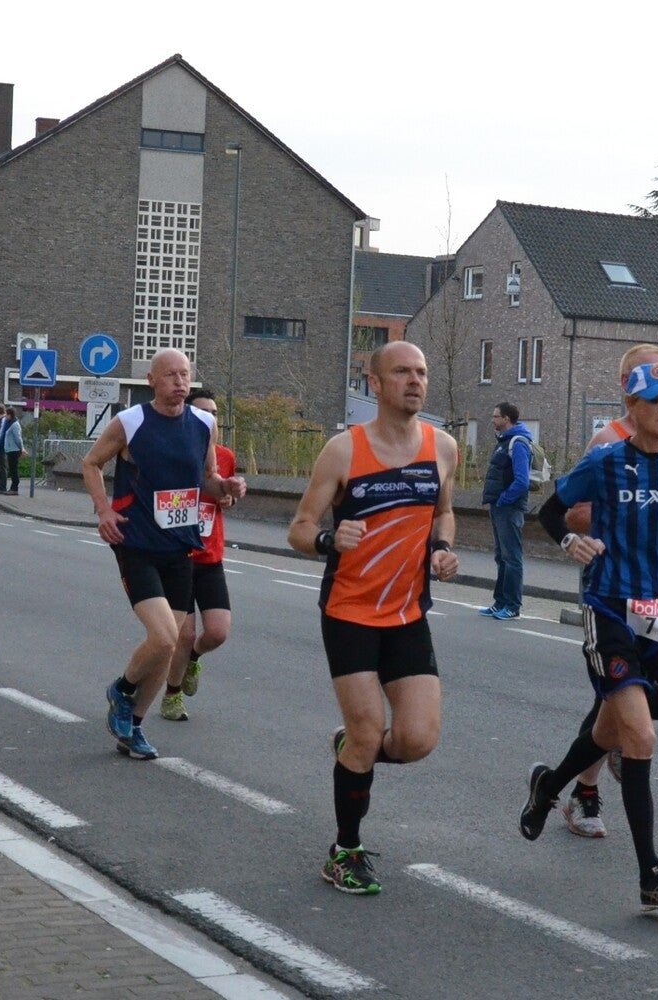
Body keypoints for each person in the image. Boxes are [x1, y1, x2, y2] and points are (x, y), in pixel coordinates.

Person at [519, 362, 658, 911]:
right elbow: (550, 511)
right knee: (640, 737)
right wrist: (571, 544)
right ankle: (652, 876)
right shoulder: (605, 461)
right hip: (609, 607)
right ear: (632, 406)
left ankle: (549, 786)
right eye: (656, 399)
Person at [287, 341, 460, 896]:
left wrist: (442, 548)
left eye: (421, 372)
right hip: (350, 612)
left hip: (407, 614)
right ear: (376, 384)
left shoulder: (443, 447)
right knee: (367, 731)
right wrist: (327, 539)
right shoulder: (343, 450)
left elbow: (445, 513)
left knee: (417, 739)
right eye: (402, 372)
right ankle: (345, 850)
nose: (415, 381)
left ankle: (353, 753)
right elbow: (299, 528)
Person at [558, 344, 658, 838]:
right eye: (653, 389)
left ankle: (600, 754)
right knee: (615, 694)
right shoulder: (607, 442)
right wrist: (625, 516)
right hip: (615, 586)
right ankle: (584, 792)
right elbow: (573, 511)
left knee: (654, 695)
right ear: (628, 390)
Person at [82, 348, 247, 762]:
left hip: (180, 547)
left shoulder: (204, 424)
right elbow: (91, 463)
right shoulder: (131, 422)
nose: (180, 382)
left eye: (185, 374)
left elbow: (207, 479)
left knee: (168, 648)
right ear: (151, 380)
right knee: (165, 637)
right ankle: (121, 689)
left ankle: (134, 726)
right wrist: (103, 510)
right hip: (137, 544)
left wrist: (227, 488)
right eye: (170, 375)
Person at [160, 389, 236, 722]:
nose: (210, 419)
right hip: (179, 556)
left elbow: (225, 499)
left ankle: (192, 658)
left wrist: (228, 498)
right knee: (185, 632)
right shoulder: (174, 452)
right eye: (204, 413)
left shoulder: (225, 457)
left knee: (217, 632)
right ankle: (171, 696)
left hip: (210, 556)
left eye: (214, 414)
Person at [479, 402, 533, 621]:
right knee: (501, 556)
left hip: (509, 508)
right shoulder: (504, 441)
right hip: (499, 507)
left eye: (496, 416)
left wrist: (503, 500)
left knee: (511, 557)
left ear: (506, 419)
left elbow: (522, 481)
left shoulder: (517, 443)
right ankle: (500, 602)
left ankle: (512, 606)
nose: (493, 419)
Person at [2, 406, 24, 495]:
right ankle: (13, 488)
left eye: (6, 415)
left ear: (10, 415)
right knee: (12, 469)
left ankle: (14, 488)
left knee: (13, 470)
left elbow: (18, 438)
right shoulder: (10, 424)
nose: (5, 417)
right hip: (10, 450)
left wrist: (21, 448)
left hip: (14, 450)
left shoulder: (15, 425)